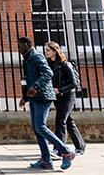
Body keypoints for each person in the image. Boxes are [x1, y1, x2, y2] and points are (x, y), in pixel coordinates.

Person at [18, 37, 75, 170]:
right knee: (37, 129)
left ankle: (66, 152)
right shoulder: (26, 59)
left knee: (41, 127)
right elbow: (27, 80)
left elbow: (48, 73)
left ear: (27, 45)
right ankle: (46, 160)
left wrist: (36, 87)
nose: (19, 49)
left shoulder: (37, 56)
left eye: (20, 46)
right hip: (34, 97)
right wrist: (25, 97)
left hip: (43, 96)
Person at [45, 41, 87, 156]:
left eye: (48, 50)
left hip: (67, 96)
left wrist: (60, 90)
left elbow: (75, 83)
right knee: (69, 121)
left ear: (55, 51)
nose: (46, 52)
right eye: (46, 50)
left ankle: (60, 149)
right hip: (57, 97)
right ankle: (80, 146)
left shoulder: (65, 65)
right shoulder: (50, 65)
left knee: (60, 121)